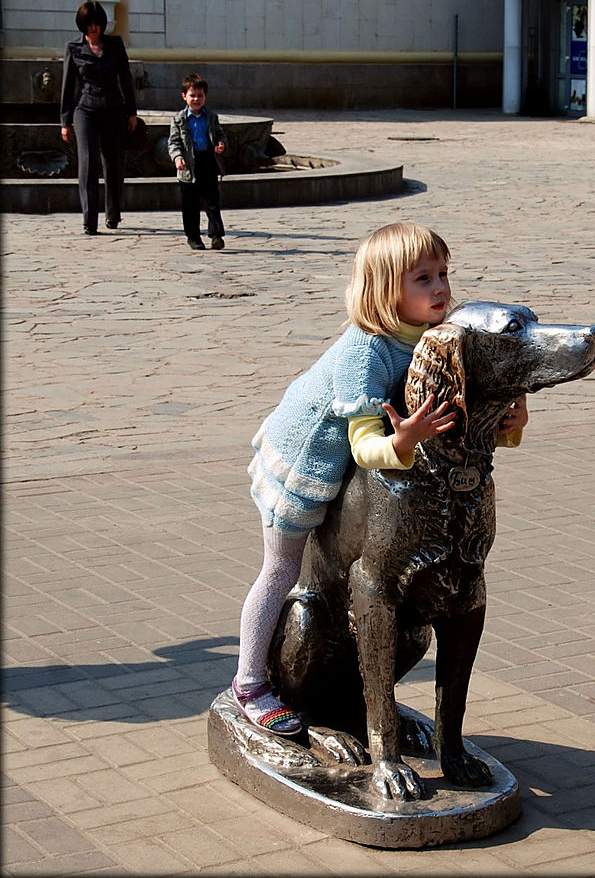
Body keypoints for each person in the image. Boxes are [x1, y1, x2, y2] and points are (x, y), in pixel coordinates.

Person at [233, 222, 528, 735]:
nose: (440, 288)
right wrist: (404, 441)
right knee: (282, 570)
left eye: (443, 273)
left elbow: (456, 426)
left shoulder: (438, 336)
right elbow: (365, 446)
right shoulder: (365, 351)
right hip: (305, 464)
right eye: (422, 278)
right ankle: (251, 682)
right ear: (385, 289)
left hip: (360, 470)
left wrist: (510, 427)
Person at [60, 0, 138, 235]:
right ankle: (89, 220)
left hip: (113, 109)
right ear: (82, 25)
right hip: (85, 110)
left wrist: (132, 112)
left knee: (113, 163)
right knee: (87, 162)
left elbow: (126, 78)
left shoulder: (115, 45)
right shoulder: (72, 47)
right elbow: (67, 86)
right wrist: (65, 121)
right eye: (88, 24)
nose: (93, 28)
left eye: (96, 23)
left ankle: (113, 215)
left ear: (103, 24)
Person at [167, 75, 227, 251]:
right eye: (192, 95)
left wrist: (221, 143)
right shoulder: (179, 120)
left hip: (207, 159)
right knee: (190, 203)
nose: (196, 99)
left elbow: (220, 134)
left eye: (200, 95)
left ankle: (216, 234)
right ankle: (193, 237)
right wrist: (177, 158)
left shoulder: (211, 117)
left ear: (205, 97)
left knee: (212, 200)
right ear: (184, 96)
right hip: (188, 164)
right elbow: (174, 142)